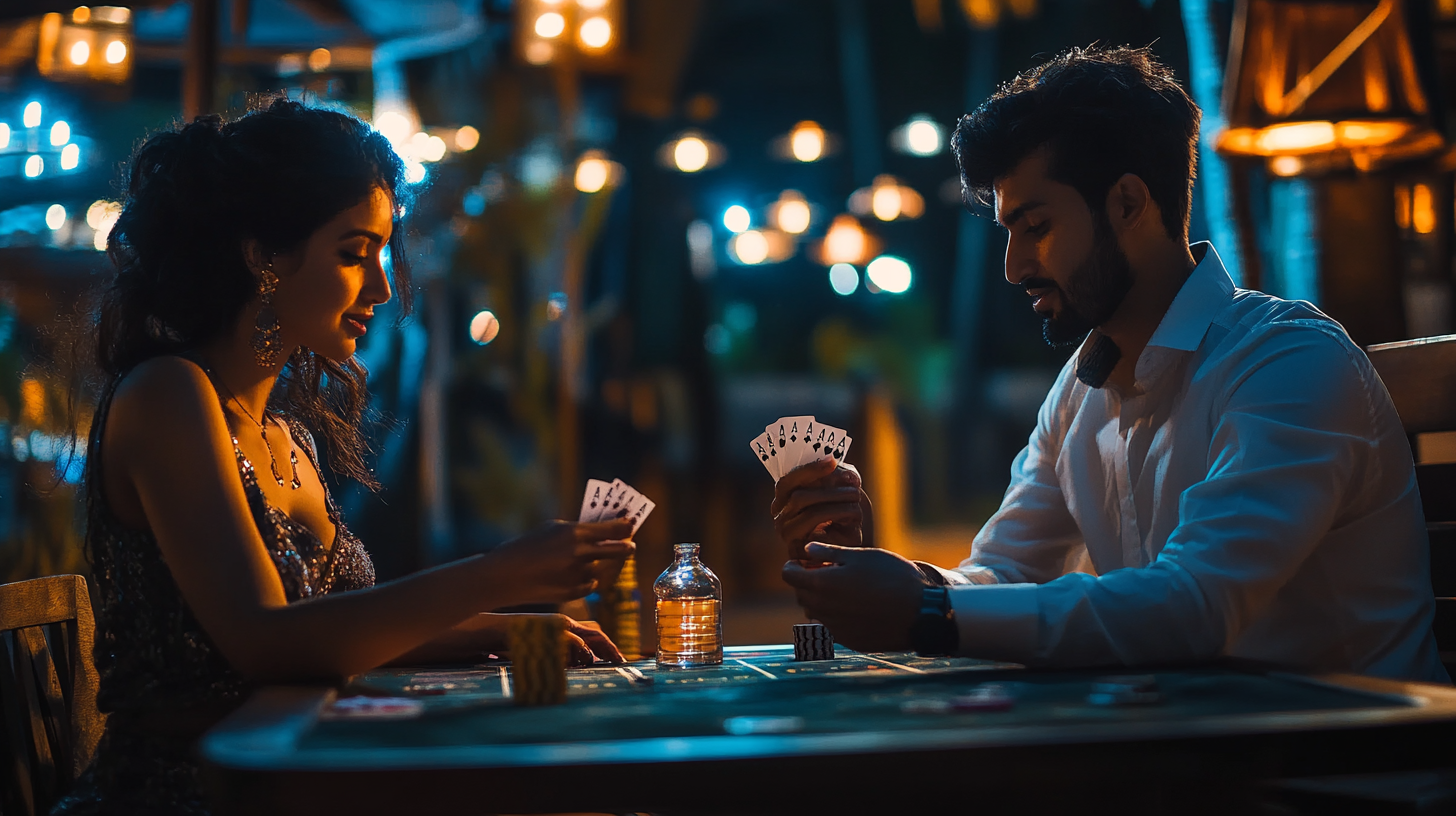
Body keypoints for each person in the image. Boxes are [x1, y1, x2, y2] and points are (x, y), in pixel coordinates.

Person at [775, 45, 1447, 683]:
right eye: (1008, 232)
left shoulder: (1287, 362)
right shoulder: (1079, 392)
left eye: (1036, 227)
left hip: (1354, 771)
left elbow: (1196, 604)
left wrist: (927, 614)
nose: (1014, 268)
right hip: (1198, 762)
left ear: (1128, 203)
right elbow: (1005, 575)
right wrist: (899, 582)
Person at [53, 99, 634, 815]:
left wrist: (508, 626)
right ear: (262, 255)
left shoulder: (284, 432)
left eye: (383, 252)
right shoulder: (169, 395)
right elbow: (267, 644)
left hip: (301, 773)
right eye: (353, 253)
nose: (383, 287)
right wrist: (495, 576)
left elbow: (332, 634)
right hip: (199, 790)